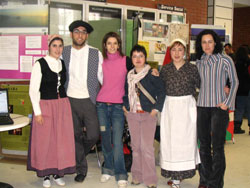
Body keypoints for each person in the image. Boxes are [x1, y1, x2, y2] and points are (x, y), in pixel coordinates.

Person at [28, 35, 76, 188]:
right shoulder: (39, 64)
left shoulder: (61, 62)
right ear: (49, 47)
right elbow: (33, 91)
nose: (57, 49)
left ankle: (57, 172)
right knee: (45, 141)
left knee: (60, 141)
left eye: (60, 46)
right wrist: (38, 112)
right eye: (54, 45)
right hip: (46, 106)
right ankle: (45, 174)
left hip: (62, 105)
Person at [195, 29, 238, 188]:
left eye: (210, 41)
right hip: (202, 108)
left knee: (218, 147)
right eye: (203, 42)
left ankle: (215, 183)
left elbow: (235, 82)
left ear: (215, 43)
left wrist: (227, 102)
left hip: (219, 109)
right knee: (204, 145)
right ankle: (204, 180)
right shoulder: (199, 62)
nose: (207, 45)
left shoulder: (225, 60)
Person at [61, 20, 103, 183]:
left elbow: (103, 77)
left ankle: (75, 156)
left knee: (93, 135)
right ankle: (81, 168)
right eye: (77, 31)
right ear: (71, 34)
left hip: (89, 99)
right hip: (69, 99)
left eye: (83, 32)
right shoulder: (63, 52)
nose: (80, 34)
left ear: (87, 35)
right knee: (75, 135)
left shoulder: (95, 53)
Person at [159, 39, 201, 188]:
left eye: (180, 49)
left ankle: (181, 175)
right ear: (170, 52)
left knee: (186, 142)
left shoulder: (192, 69)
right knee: (171, 142)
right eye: (174, 50)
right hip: (169, 108)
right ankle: (174, 174)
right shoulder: (165, 70)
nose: (177, 53)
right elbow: (159, 89)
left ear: (185, 52)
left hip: (186, 109)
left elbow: (200, 87)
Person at [123, 44, 165, 188]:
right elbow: (125, 93)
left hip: (148, 115)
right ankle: (137, 176)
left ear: (145, 58)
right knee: (135, 147)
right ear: (132, 59)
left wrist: (156, 109)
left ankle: (150, 179)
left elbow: (162, 92)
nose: (138, 59)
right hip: (133, 114)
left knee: (147, 148)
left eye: (141, 56)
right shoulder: (129, 75)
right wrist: (125, 107)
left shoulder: (151, 74)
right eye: (135, 56)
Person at [96, 32, 133, 188]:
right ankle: (107, 169)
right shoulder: (101, 61)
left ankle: (121, 173)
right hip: (102, 105)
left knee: (117, 141)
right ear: (105, 45)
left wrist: (153, 71)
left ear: (119, 45)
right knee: (105, 139)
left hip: (118, 107)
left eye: (115, 43)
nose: (112, 46)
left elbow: (138, 71)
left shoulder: (126, 61)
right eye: (109, 43)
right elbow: (98, 80)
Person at [234, 45, 250, 134]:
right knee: (249, 108)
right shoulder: (248, 63)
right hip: (248, 88)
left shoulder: (235, 64)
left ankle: (237, 127)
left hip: (238, 89)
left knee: (239, 108)